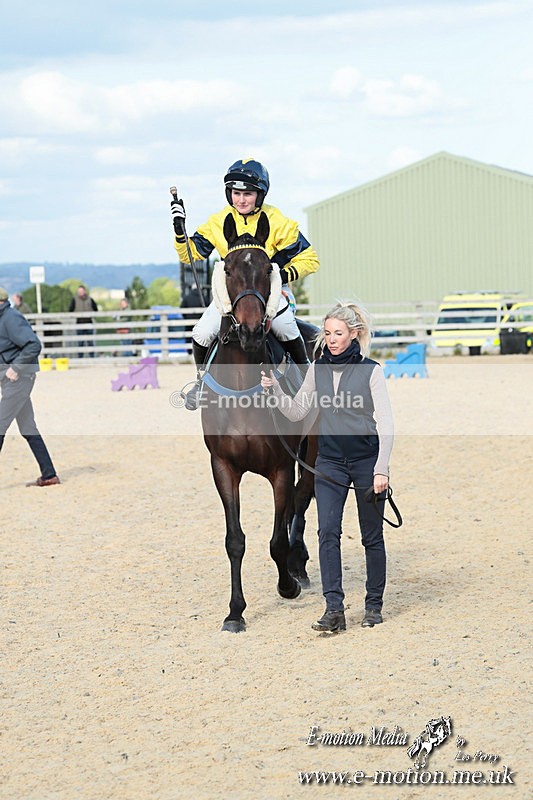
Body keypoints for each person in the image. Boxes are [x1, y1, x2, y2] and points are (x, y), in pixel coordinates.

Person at [261, 302, 394, 632]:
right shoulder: (316, 369)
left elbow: (386, 423)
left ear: (354, 334)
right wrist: (276, 389)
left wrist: (382, 469)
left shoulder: (371, 371)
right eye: (328, 333)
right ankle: (333, 608)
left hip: (366, 462)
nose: (332, 339)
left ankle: (373, 605)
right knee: (327, 534)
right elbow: (295, 412)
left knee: (371, 537)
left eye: (338, 333)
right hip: (330, 464)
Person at [171, 158, 320, 409]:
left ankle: (307, 382)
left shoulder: (277, 220)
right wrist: (179, 230)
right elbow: (189, 254)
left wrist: (282, 275)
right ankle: (202, 383)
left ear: (259, 195)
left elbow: (310, 259)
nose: (241, 200)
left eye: (248, 194)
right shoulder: (218, 221)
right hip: (232, 295)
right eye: (236, 193)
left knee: (286, 328)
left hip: (270, 292)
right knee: (201, 333)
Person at [0, 286, 60, 487]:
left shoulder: (11, 318)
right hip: (13, 381)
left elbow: (34, 344)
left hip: (19, 380)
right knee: (28, 428)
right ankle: (49, 474)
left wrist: (16, 368)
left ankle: (49, 474)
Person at [68, 285, 98, 358]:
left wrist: (91, 314)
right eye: (79, 291)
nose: (80, 293)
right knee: (80, 342)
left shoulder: (90, 299)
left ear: (84, 291)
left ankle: (92, 358)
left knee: (90, 342)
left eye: (81, 291)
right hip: (79, 323)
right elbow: (70, 310)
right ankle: (80, 358)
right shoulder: (74, 300)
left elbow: (96, 309)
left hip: (89, 322)